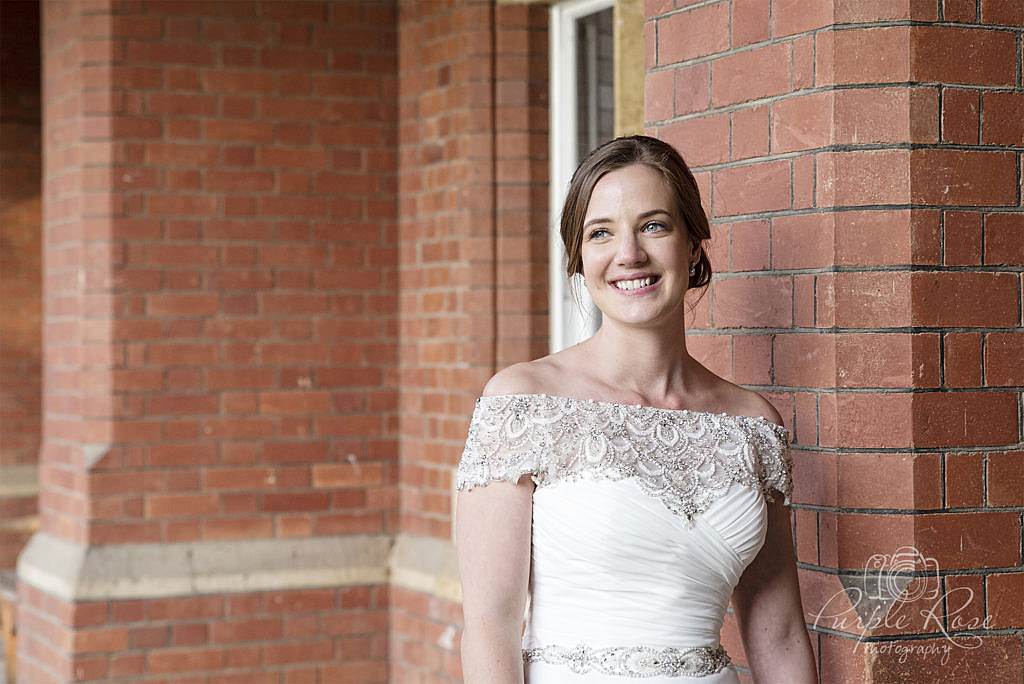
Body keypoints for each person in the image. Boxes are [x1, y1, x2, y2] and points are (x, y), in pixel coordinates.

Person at [454, 135, 817, 683]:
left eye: (654, 225)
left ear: (693, 245)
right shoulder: (524, 403)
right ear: (580, 259)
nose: (629, 254)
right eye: (602, 233)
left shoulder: (753, 426)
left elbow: (782, 633)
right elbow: (489, 628)